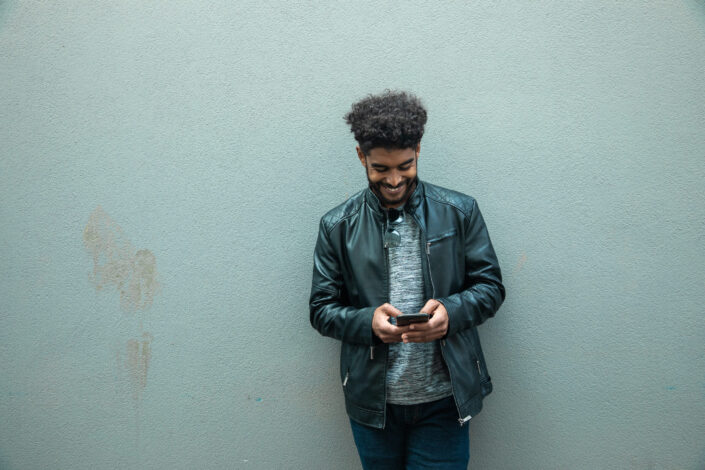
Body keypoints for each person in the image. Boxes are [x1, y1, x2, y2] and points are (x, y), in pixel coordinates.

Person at [309, 90, 505, 469]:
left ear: (418, 149)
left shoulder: (460, 212)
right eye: (381, 169)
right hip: (373, 405)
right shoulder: (336, 226)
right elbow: (320, 310)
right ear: (361, 156)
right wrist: (368, 322)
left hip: (445, 403)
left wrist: (452, 312)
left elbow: (491, 287)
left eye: (405, 165)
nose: (395, 180)